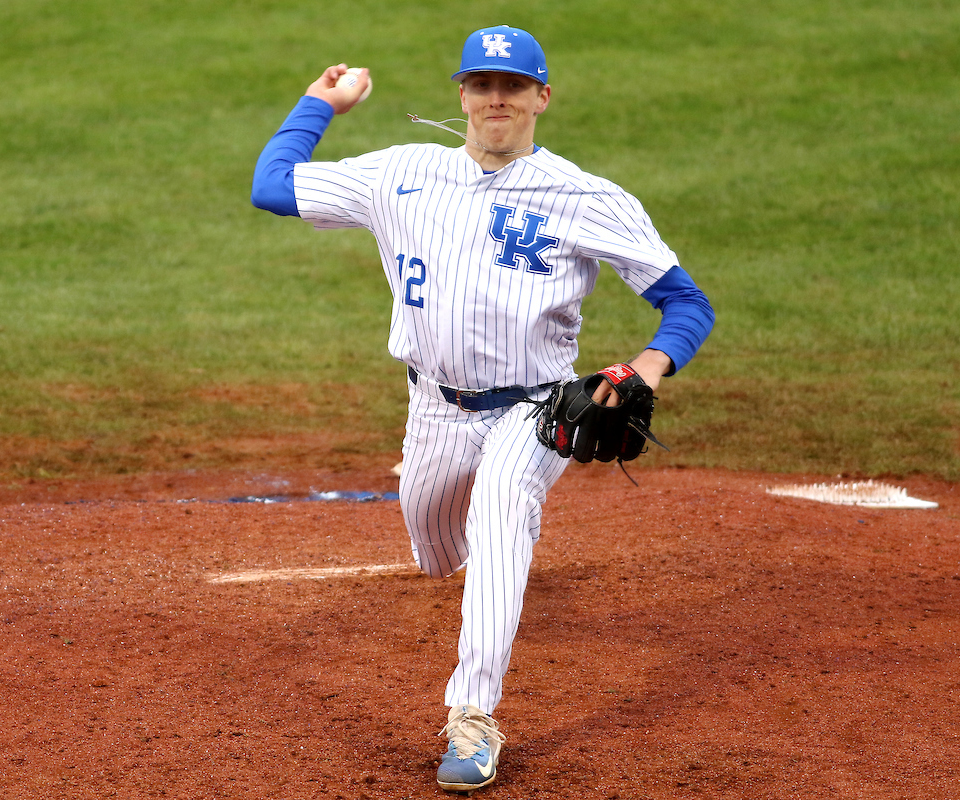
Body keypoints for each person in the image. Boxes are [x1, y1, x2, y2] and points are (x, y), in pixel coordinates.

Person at [251, 25, 714, 793]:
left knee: (501, 512)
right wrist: (317, 103)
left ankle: (473, 717)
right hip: (432, 408)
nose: (496, 99)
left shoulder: (587, 197)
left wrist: (647, 367)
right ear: (461, 95)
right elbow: (273, 187)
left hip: (536, 412)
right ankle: (476, 566)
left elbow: (684, 302)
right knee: (436, 551)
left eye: (513, 86)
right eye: (481, 85)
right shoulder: (399, 173)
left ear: (541, 97)